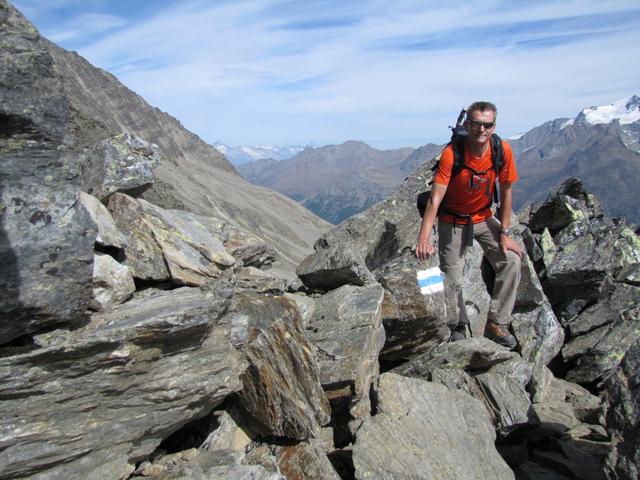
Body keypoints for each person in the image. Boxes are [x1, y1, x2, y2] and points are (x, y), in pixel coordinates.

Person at [415, 101, 523, 349]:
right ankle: (458, 325)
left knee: (512, 260)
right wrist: (424, 238)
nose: (481, 130)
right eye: (476, 124)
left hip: (484, 217)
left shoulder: (501, 150)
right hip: (452, 219)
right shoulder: (453, 154)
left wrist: (505, 233)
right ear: (467, 124)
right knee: (451, 278)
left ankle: (496, 323)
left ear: (494, 126)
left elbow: (506, 192)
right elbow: (435, 198)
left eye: (487, 124)